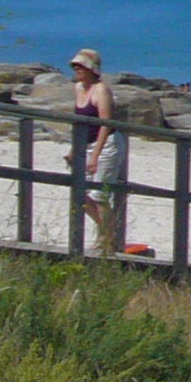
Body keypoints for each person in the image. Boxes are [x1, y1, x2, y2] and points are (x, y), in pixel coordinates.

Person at [68, 47, 129, 254]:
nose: (77, 70)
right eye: (75, 66)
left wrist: (95, 156)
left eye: (80, 66)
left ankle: (106, 239)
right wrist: (73, 148)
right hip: (86, 144)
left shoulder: (101, 90)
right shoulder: (78, 88)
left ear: (90, 69)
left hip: (106, 145)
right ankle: (106, 232)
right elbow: (79, 122)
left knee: (99, 196)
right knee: (80, 194)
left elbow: (105, 123)